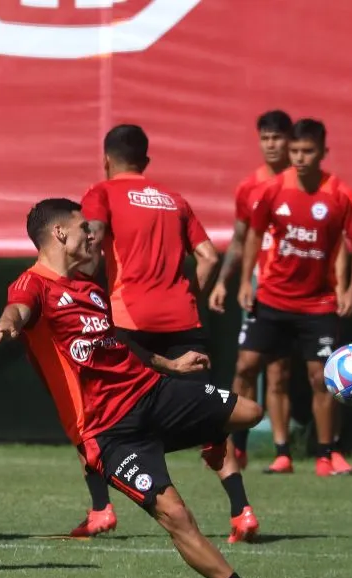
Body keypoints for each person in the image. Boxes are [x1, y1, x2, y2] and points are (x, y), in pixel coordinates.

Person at [0, 198, 313, 578]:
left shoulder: (89, 287)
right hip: (110, 434)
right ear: (60, 234)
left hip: (152, 392)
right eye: (84, 228)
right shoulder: (33, 285)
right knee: (177, 516)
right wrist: (7, 325)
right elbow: (18, 309)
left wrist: (171, 364)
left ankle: (211, 438)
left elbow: (119, 344)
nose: (92, 234)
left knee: (250, 412)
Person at [76, 124, 259, 544]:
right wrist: (190, 291)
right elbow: (209, 255)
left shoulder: (101, 192)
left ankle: (101, 510)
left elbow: (96, 235)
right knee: (213, 419)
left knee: (95, 417)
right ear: (147, 161)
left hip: (128, 321)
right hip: (184, 320)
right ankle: (242, 512)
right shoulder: (174, 199)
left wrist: (87, 286)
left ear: (106, 159)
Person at [233, 118, 352, 476]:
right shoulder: (272, 189)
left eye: (308, 151)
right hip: (273, 298)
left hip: (318, 303)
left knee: (321, 378)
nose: (300, 157)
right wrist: (247, 282)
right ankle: (256, 450)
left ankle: (327, 455)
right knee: (248, 367)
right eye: (295, 151)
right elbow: (252, 234)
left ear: (323, 152)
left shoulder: (340, 194)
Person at [208, 110, 295, 472]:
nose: (271, 144)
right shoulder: (250, 187)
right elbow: (241, 240)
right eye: (266, 138)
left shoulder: (305, 184)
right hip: (259, 288)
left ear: (291, 141)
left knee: (279, 372)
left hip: (295, 293)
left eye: (277, 137)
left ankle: (283, 452)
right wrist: (223, 283)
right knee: (245, 365)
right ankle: (235, 446)